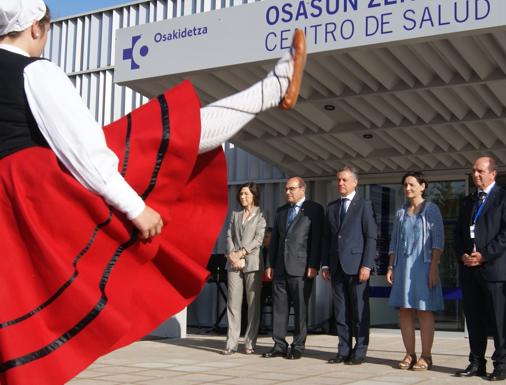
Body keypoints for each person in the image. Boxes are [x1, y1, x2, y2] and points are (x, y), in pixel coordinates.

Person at [0, 0, 307, 383]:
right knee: (166, 136)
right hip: (38, 194)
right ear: (35, 28)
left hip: (10, 213)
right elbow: (83, 149)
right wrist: (135, 207)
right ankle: (270, 89)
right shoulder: (36, 72)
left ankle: (271, 88)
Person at [453, 156, 506, 381]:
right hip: (469, 270)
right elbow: (459, 233)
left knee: (498, 320)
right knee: (474, 319)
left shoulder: (505, 198)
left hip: (494, 270)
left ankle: (500, 364)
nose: (476, 175)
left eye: (480, 171)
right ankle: (476, 362)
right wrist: (462, 253)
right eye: (473, 171)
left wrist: (484, 255)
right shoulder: (468, 201)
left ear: (493, 173)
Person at [386, 171, 444, 371]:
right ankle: (409, 353)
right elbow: (393, 242)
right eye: (405, 185)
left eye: (412, 184)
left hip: (424, 266)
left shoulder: (431, 209)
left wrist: (434, 267)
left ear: (423, 186)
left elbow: (438, 241)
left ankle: (426, 355)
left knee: (424, 310)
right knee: (404, 309)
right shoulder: (400, 213)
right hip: (403, 266)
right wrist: (390, 266)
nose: (408, 188)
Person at [262, 177, 324, 359]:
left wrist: (313, 265)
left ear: (302, 189)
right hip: (280, 268)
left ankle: (298, 346)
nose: (287, 192)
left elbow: (316, 240)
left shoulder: (314, 209)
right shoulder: (281, 211)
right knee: (279, 309)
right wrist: (270, 264)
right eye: (286, 189)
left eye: (291, 189)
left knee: (300, 309)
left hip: (302, 268)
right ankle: (279, 345)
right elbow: (275, 242)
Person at [321, 166, 377, 365]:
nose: (340, 183)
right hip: (336, 267)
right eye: (338, 180)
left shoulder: (364, 205)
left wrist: (367, 265)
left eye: (344, 180)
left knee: (360, 311)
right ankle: (343, 350)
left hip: (357, 267)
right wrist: (325, 264)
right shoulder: (332, 207)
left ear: (355, 182)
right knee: (341, 311)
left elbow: (371, 237)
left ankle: (360, 350)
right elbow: (327, 238)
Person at [223, 182, 266, 355]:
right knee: (233, 303)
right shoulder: (235, 215)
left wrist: (242, 253)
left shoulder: (261, 215)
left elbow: (258, 239)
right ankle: (231, 343)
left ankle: (249, 342)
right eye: (241, 194)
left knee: (252, 304)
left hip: (252, 264)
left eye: (246, 194)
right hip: (234, 264)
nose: (242, 197)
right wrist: (233, 255)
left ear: (254, 195)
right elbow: (228, 235)